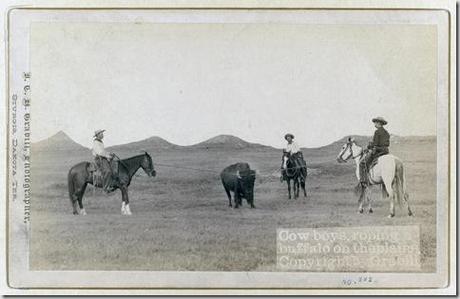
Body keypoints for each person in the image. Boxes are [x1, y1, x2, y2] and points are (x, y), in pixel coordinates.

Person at [359, 117, 390, 185]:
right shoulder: (387, 133)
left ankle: (363, 181)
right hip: (385, 151)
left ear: (379, 123)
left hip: (378, 151)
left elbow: (375, 144)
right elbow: (387, 144)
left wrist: (370, 146)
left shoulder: (377, 131)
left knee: (362, 163)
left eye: (375, 122)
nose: (374, 124)